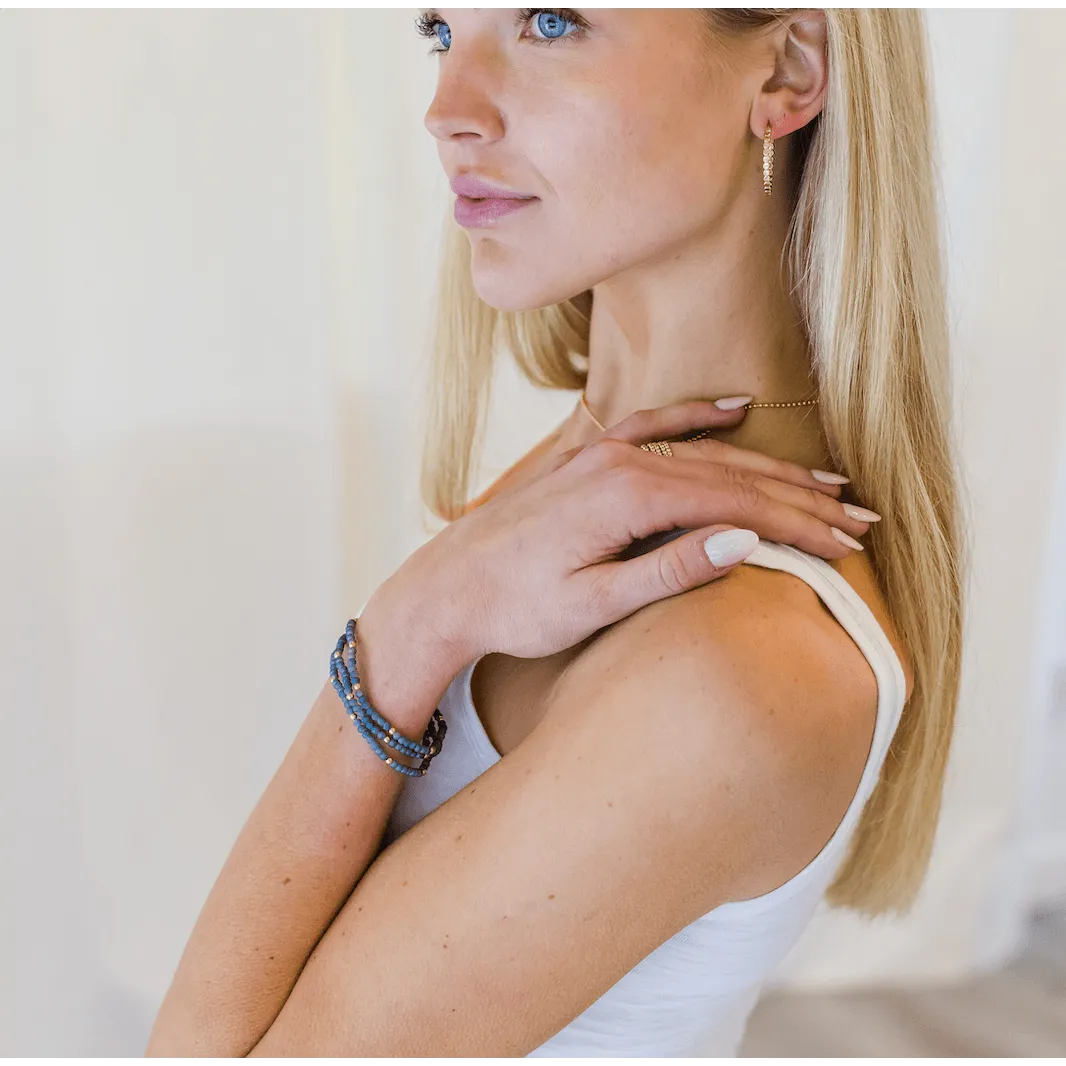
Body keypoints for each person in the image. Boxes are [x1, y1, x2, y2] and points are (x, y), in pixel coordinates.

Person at [147, 8, 964, 1061]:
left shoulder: (734, 670)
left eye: (548, 22)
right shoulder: (581, 489)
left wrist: (411, 625)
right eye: (441, 28)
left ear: (788, 70)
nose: (447, 111)